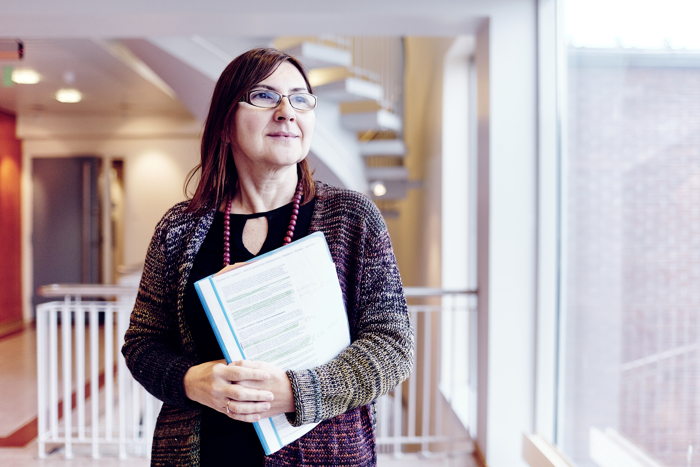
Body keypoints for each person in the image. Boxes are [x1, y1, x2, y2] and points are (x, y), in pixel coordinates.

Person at [122, 47, 413, 466]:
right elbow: (142, 345)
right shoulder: (179, 229)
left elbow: (393, 345)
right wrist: (191, 379)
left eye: (300, 98)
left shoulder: (352, 218)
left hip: (326, 456)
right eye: (263, 96)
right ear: (225, 122)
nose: (286, 111)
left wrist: (297, 392)